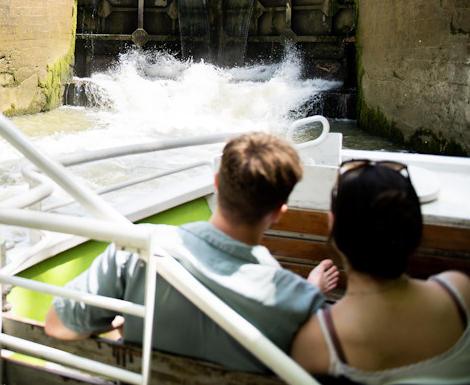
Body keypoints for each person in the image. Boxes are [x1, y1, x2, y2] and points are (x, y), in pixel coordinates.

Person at [45, 131, 340, 373]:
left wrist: (129, 318)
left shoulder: (137, 249)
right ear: (279, 212)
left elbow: (57, 326)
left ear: (215, 184)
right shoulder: (300, 302)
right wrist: (309, 287)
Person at [291, 160, 470, 383]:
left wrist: (310, 293)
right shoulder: (460, 293)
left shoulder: (317, 341)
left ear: (333, 226)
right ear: (414, 225)